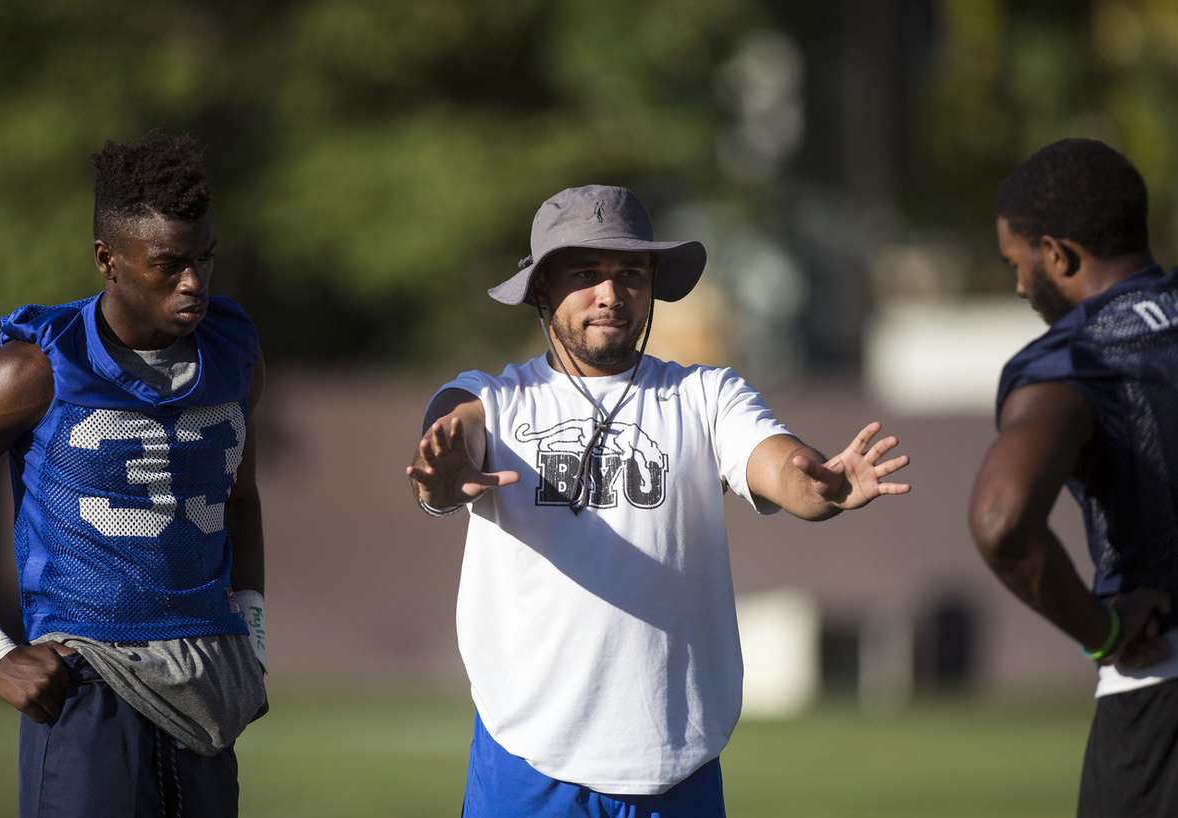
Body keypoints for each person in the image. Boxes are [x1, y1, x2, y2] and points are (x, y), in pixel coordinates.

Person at [406, 185, 911, 817]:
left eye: (630, 274)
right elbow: (450, 438)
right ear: (541, 290)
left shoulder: (705, 394)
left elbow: (779, 464)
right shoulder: (496, 399)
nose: (611, 294)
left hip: (678, 763)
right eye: (586, 275)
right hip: (527, 760)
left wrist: (819, 485)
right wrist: (441, 477)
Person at [0, 133, 268, 818]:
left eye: (204, 258)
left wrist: (254, 634)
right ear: (108, 261)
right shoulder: (29, 373)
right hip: (88, 681)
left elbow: (240, 497)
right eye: (170, 264)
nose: (194, 282)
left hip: (206, 675)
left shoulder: (236, 353)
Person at [969, 138, 1178, 817]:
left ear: (1057, 254)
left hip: (1159, 694)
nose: (1020, 286)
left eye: (1018, 263)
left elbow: (1001, 522)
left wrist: (1104, 632)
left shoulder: (1073, 360)